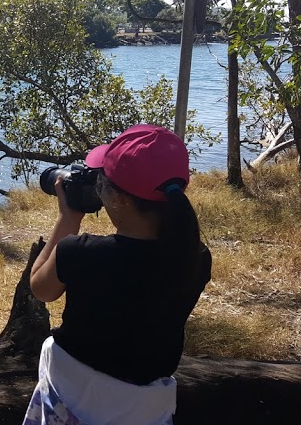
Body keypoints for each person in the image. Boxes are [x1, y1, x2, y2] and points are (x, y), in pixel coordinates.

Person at [24, 124, 212, 425]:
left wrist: (68, 216)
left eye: (101, 181)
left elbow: (41, 289)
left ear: (118, 199)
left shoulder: (81, 252)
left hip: (71, 401)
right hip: (145, 411)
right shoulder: (196, 258)